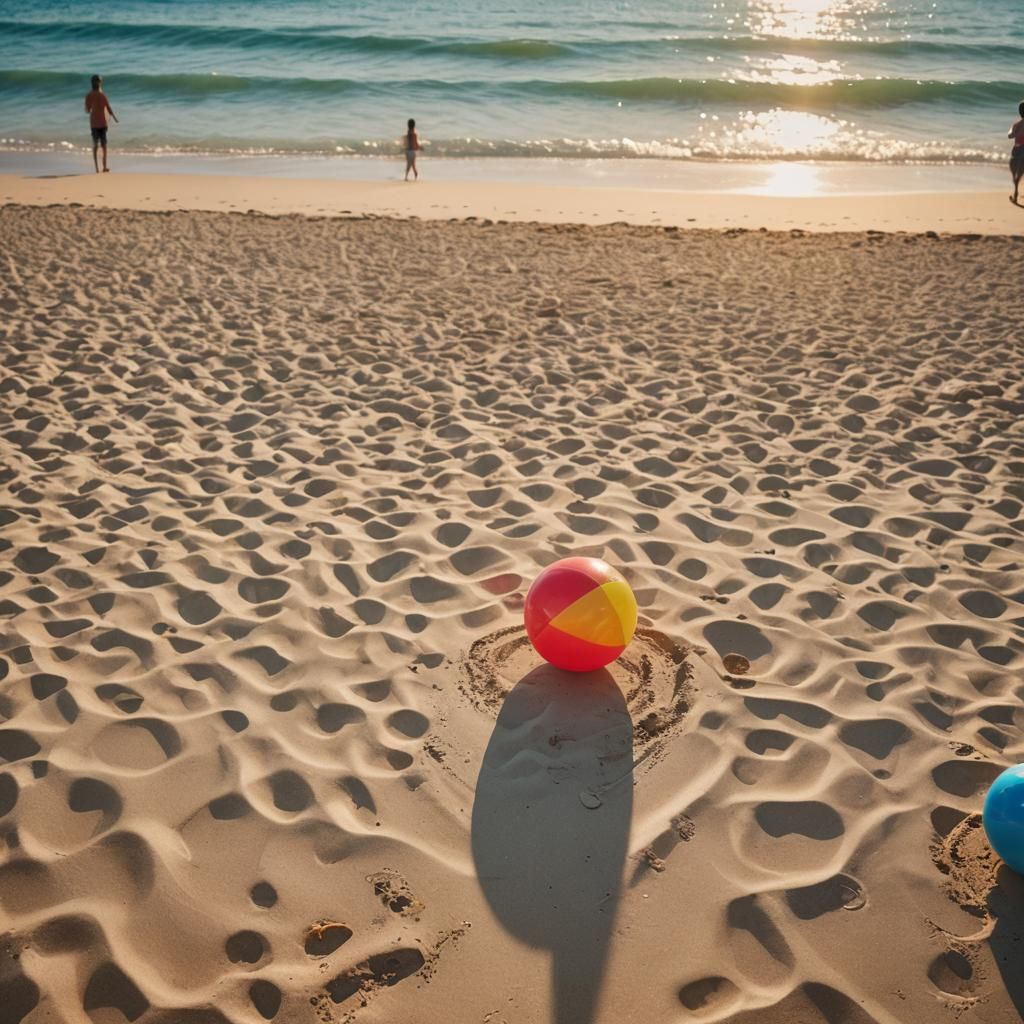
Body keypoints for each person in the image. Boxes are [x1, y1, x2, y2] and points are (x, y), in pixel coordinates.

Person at [85, 75, 118, 173]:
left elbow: (87, 110)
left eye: (99, 81)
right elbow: (108, 107)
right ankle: (101, 167)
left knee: (99, 145)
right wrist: (114, 117)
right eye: (99, 81)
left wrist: (113, 117)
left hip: (97, 123)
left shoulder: (90, 95)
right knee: (101, 145)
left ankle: (100, 168)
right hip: (100, 123)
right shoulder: (100, 95)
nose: (99, 83)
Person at [1009, 101, 1024, 205]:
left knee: (1015, 172)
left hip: (1017, 149)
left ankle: (1015, 192)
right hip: (1019, 150)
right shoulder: (1016, 124)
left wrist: (1013, 130)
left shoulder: (1016, 124)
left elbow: (1010, 136)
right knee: (1019, 172)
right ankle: (1015, 192)